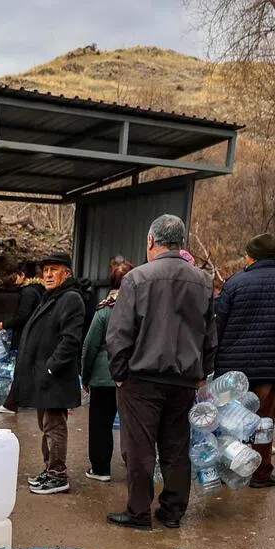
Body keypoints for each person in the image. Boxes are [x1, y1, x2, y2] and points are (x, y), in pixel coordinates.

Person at [105, 214, 217, 530]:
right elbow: (210, 334)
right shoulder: (203, 281)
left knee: (139, 449)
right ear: (181, 242)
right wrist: (202, 372)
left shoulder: (136, 278)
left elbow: (119, 333)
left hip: (142, 379)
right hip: (184, 380)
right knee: (176, 447)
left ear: (151, 241)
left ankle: (139, 512)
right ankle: (172, 511)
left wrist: (119, 373)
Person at [213, 233, 275, 489]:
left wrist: (213, 361)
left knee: (230, 420)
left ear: (251, 257)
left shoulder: (235, 282)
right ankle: (261, 474)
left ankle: (228, 469)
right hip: (269, 367)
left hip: (231, 370)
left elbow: (218, 324)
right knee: (264, 421)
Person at [14, 253, 85, 495]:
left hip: (56, 377)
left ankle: (57, 475)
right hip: (44, 377)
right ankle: (49, 469)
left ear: (67, 273)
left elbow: (70, 340)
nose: (48, 275)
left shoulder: (71, 298)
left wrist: (51, 367)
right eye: (45, 270)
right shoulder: (51, 297)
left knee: (54, 427)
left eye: (54, 270)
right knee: (46, 426)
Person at [80, 260, 134, 481]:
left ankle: (100, 468)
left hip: (104, 376)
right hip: (132, 375)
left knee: (100, 424)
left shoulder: (104, 310)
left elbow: (90, 345)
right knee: (132, 425)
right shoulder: (140, 309)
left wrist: (85, 375)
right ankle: (136, 469)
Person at [0, 260, 45, 414]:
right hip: (38, 335)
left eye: (16, 276)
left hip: (28, 336)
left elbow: (23, 316)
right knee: (33, 369)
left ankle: (11, 404)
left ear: (22, 275)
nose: (15, 280)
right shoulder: (40, 290)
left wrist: (4, 324)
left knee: (21, 370)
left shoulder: (28, 292)